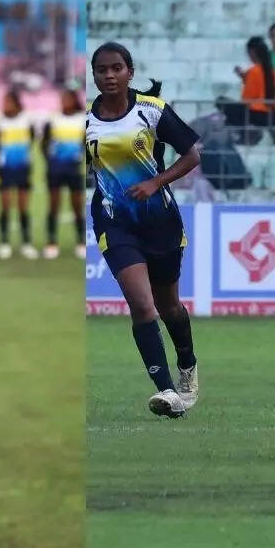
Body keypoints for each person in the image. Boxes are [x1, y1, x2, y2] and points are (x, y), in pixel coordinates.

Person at [88, 41, 202, 418]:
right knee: (141, 304)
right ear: (94, 75)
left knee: (169, 305)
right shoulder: (84, 122)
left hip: (160, 221)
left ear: (130, 72)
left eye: (116, 68)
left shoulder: (151, 111)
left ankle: (186, 363)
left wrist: (156, 182)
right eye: (102, 70)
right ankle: (167, 391)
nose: (109, 75)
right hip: (114, 221)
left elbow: (192, 155)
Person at [0, 90, 38, 260]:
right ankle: (4, 243)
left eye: (8, 102)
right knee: (5, 206)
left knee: (23, 207)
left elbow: (31, 140)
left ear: (16, 103)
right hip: (4, 171)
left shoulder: (27, 121)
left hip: (23, 169)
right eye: (4, 102)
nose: (5, 105)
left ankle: (26, 243)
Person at [43, 86, 87, 260]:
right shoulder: (53, 120)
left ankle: (81, 242)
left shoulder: (82, 120)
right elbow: (44, 143)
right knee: (54, 205)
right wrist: (51, 159)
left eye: (67, 99)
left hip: (74, 170)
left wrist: (78, 157)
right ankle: (52, 242)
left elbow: (86, 143)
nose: (64, 102)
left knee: (77, 206)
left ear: (74, 100)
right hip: (55, 170)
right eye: (62, 99)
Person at [224, 35, 275, 145]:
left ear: (253, 52)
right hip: (273, 115)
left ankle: (246, 134)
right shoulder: (273, 70)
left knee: (223, 102)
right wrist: (244, 76)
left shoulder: (254, 71)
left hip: (257, 116)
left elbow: (246, 99)